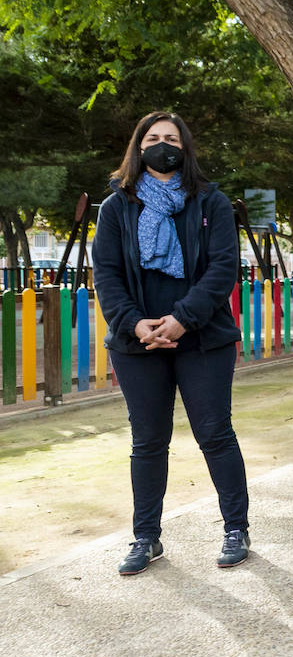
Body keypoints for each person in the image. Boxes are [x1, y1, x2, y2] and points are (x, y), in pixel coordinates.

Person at [92, 111, 251, 575]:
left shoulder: (211, 203)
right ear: (138, 148)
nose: (163, 145)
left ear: (185, 148)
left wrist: (182, 319)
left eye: (172, 138)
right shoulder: (115, 208)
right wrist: (133, 323)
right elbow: (107, 274)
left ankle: (236, 529)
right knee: (147, 441)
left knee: (215, 434)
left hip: (202, 339)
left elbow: (223, 269)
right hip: (137, 343)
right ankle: (146, 537)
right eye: (153, 138)